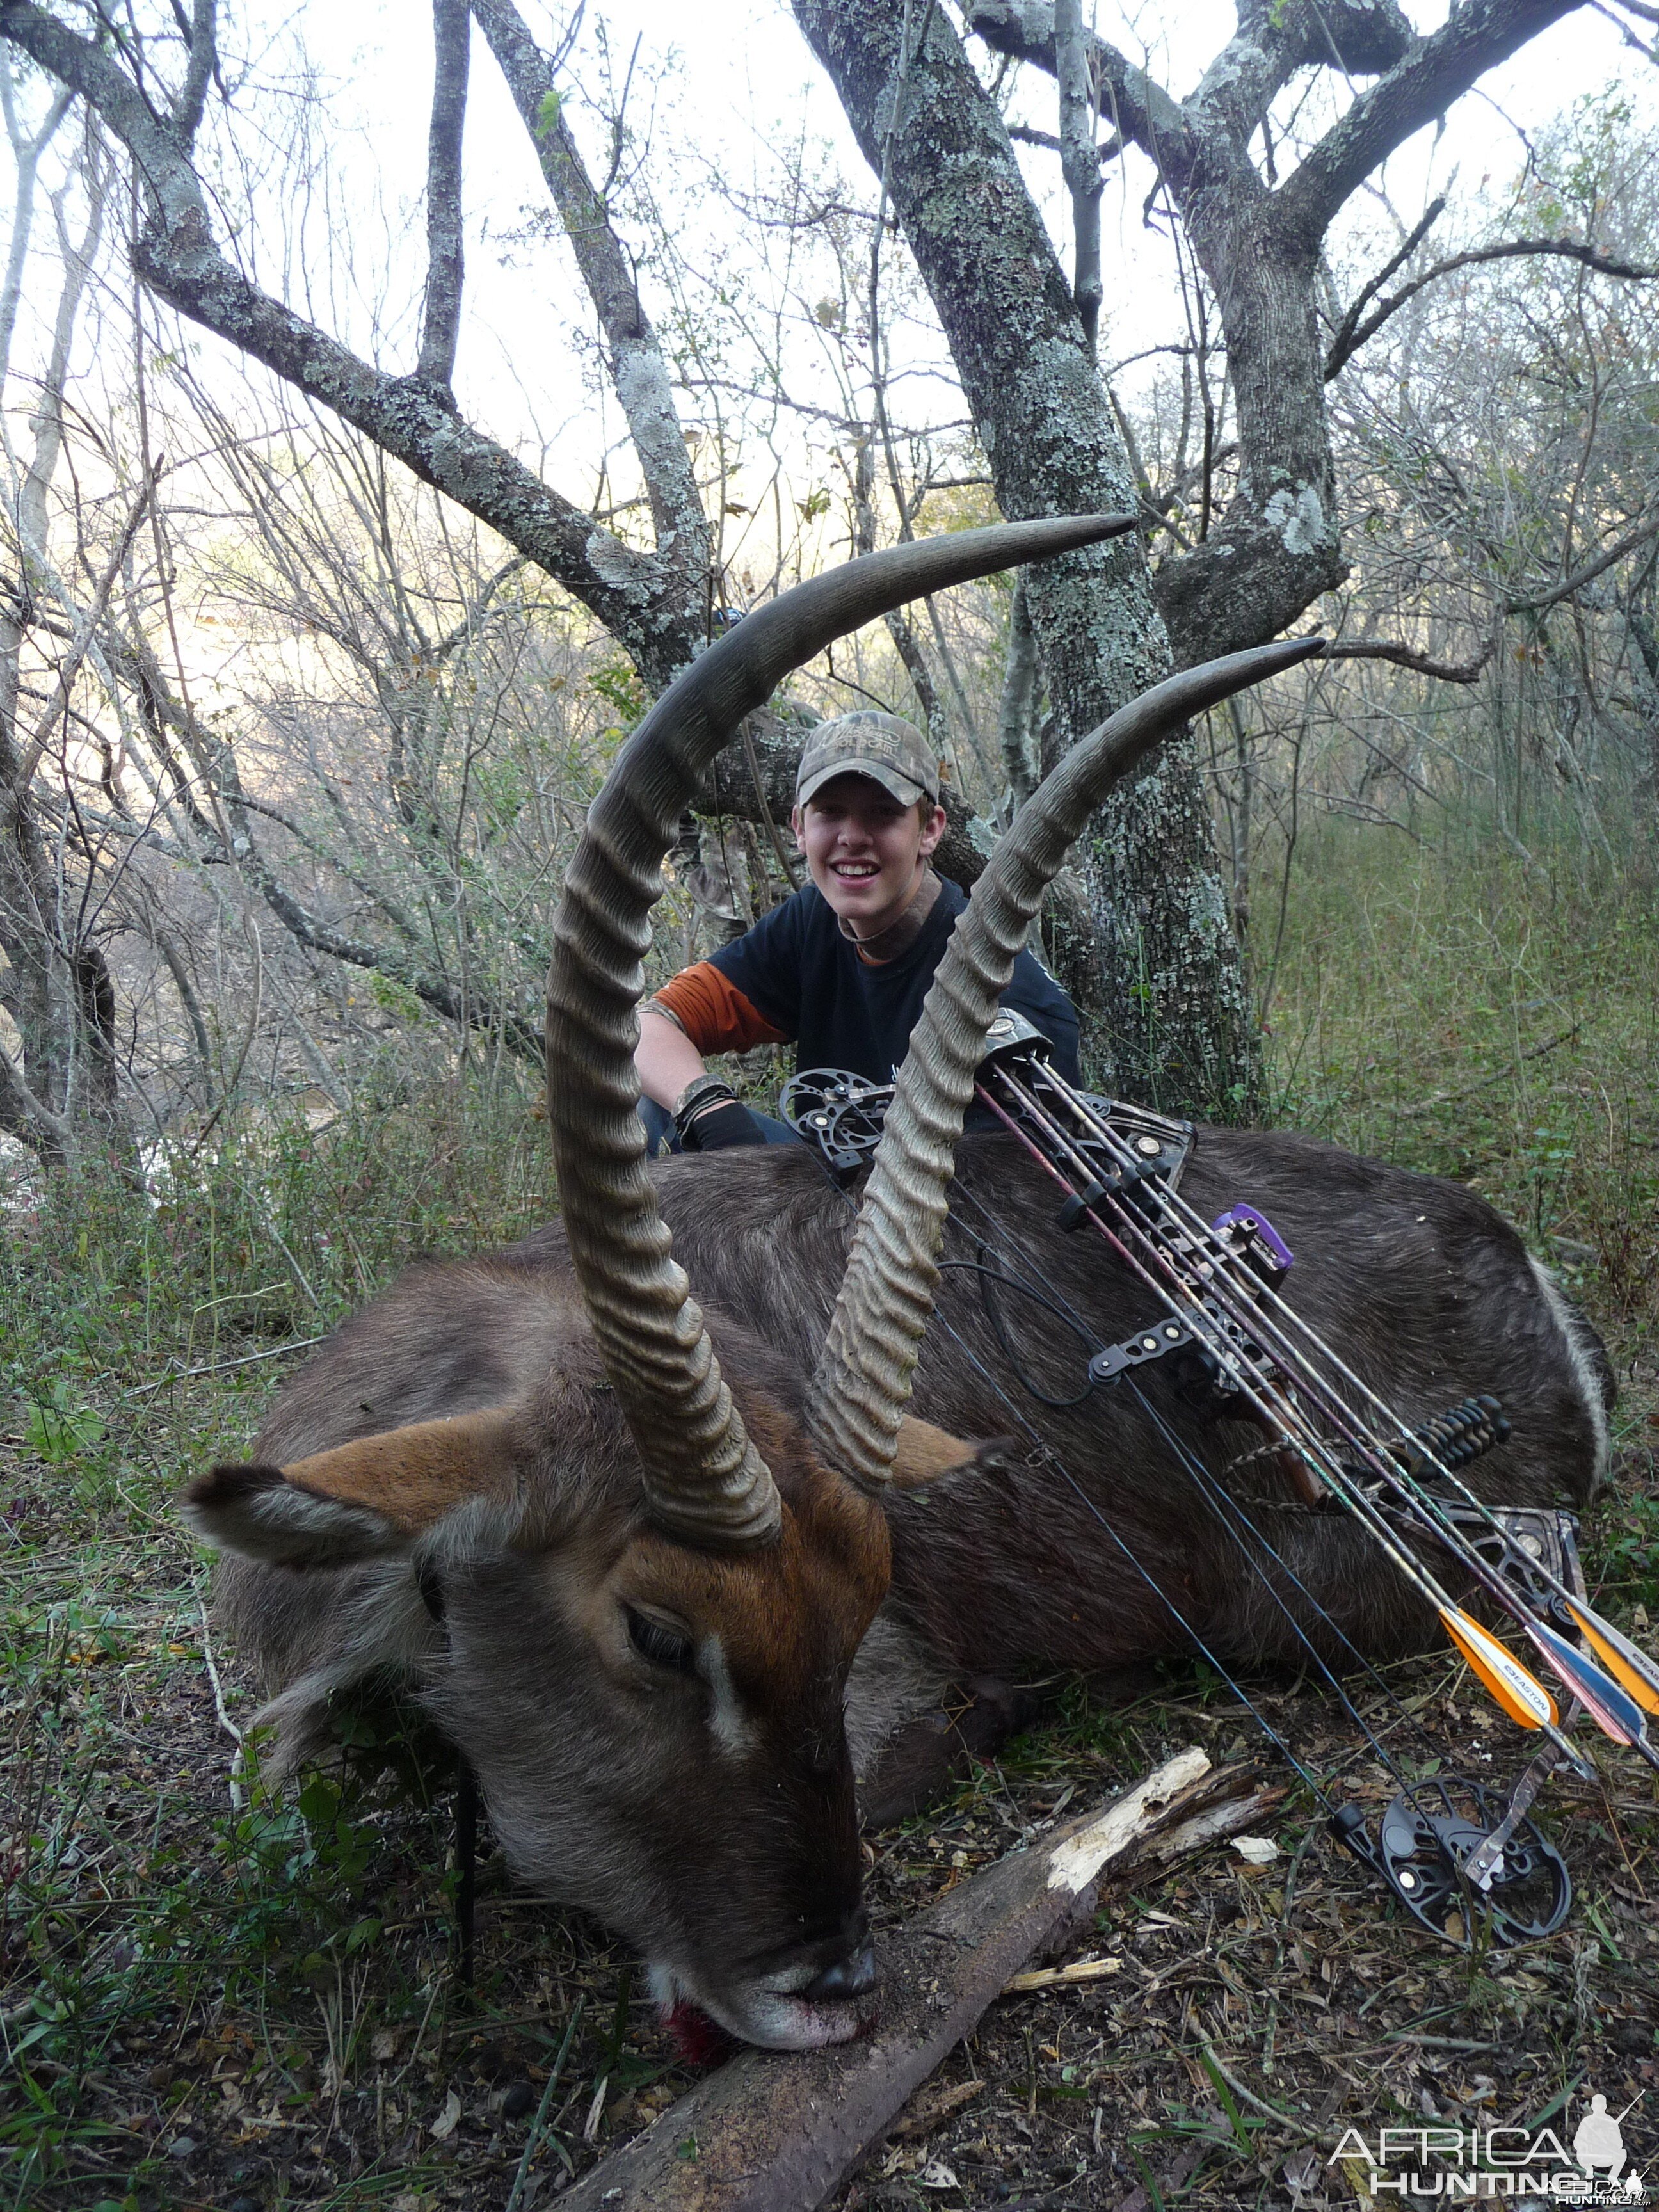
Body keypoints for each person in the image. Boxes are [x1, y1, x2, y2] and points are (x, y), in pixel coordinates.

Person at [635, 709, 1080, 1153]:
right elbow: (651, 1025)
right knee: (659, 1107)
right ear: (800, 829)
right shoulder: (812, 919)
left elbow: (1011, 1198)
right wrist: (710, 1108)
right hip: (820, 1182)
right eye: (830, 812)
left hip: (934, 1209)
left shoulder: (1008, 995)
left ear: (930, 830)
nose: (852, 837)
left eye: (883, 813)